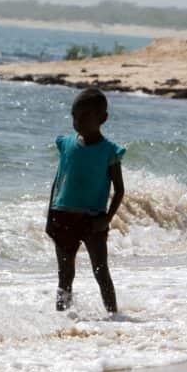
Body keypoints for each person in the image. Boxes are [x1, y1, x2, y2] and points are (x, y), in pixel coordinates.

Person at [46, 88, 125, 314]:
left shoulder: (109, 151)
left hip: (94, 220)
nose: (77, 122)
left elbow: (119, 190)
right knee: (65, 274)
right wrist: (51, 214)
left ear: (102, 118)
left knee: (101, 271)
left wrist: (107, 219)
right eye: (74, 117)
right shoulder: (66, 144)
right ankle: (62, 318)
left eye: (84, 117)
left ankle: (114, 315)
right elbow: (58, 180)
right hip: (62, 216)